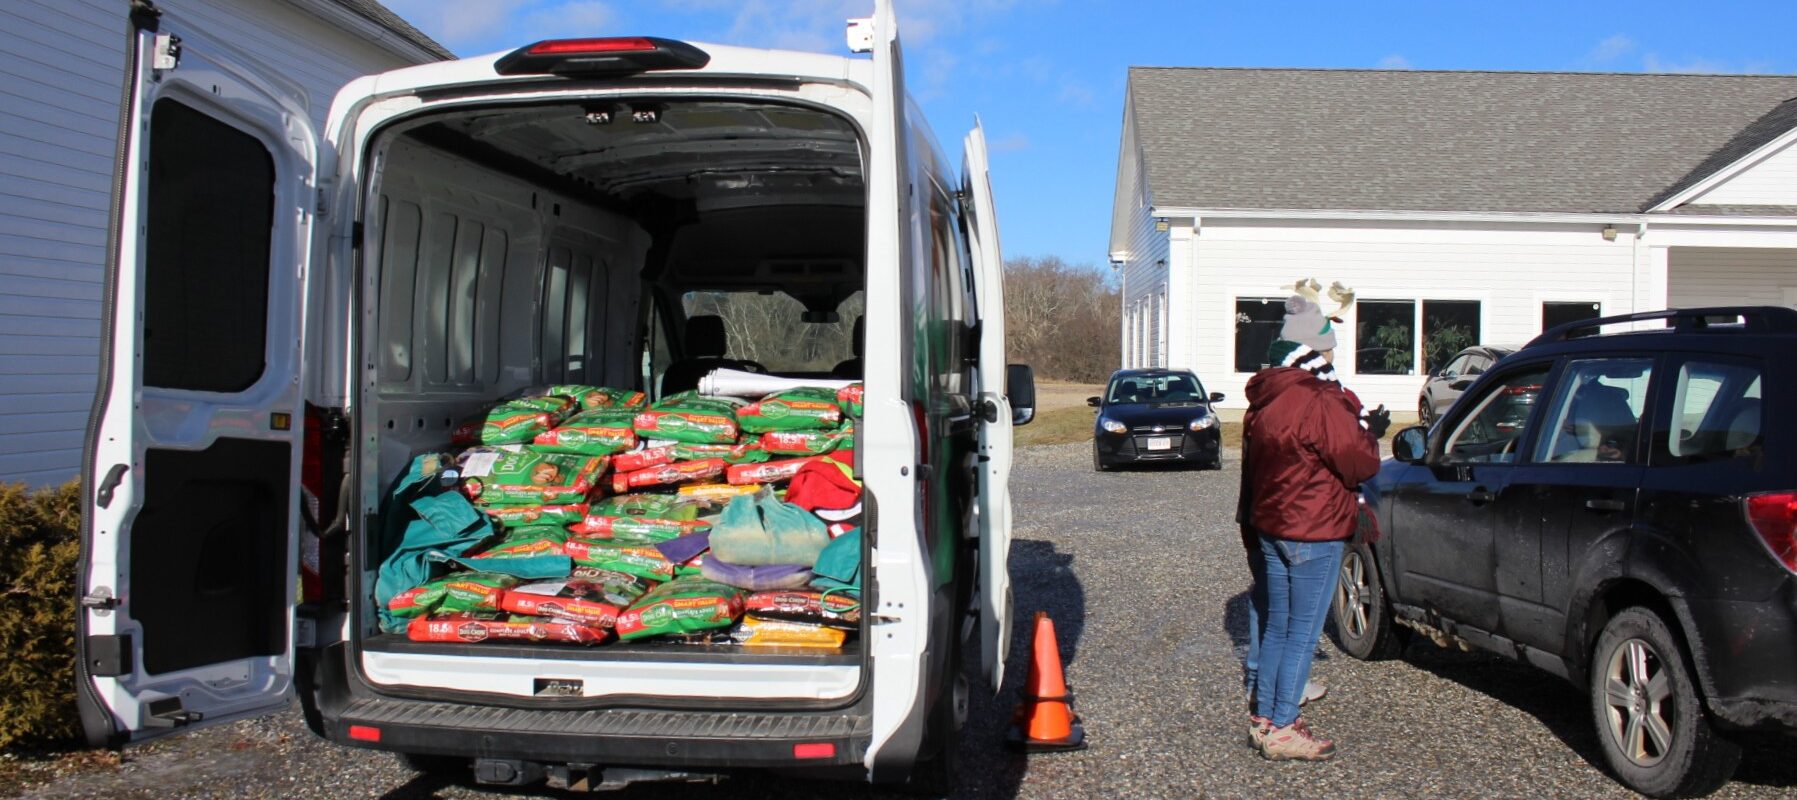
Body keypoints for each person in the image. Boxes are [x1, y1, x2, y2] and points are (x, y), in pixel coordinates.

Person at [1237, 282, 1386, 761]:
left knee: (1279, 626)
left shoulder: (1267, 399)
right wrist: (1368, 432)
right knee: (1301, 632)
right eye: (1327, 349)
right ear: (1313, 351)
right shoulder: (1321, 400)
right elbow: (1359, 464)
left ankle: (1266, 716)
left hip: (1274, 527)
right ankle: (1282, 725)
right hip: (1314, 528)